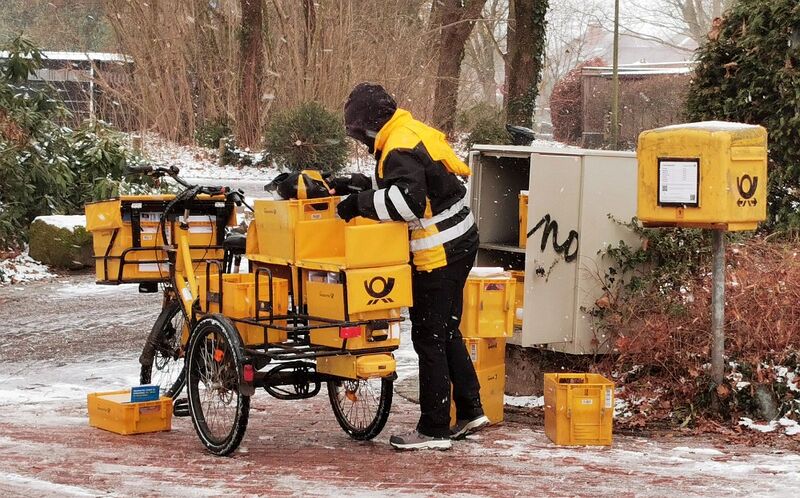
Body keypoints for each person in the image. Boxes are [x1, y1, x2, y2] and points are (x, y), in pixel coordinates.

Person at [331, 82, 489, 450]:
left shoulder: (397, 146)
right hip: (462, 241)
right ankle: (470, 408)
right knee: (446, 329)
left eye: (358, 133)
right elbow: (414, 179)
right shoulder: (407, 130)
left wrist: (359, 205)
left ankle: (433, 429)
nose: (360, 140)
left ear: (367, 125)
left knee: (429, 335)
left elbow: (408, 202)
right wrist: (357, 185)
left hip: (439, 253)